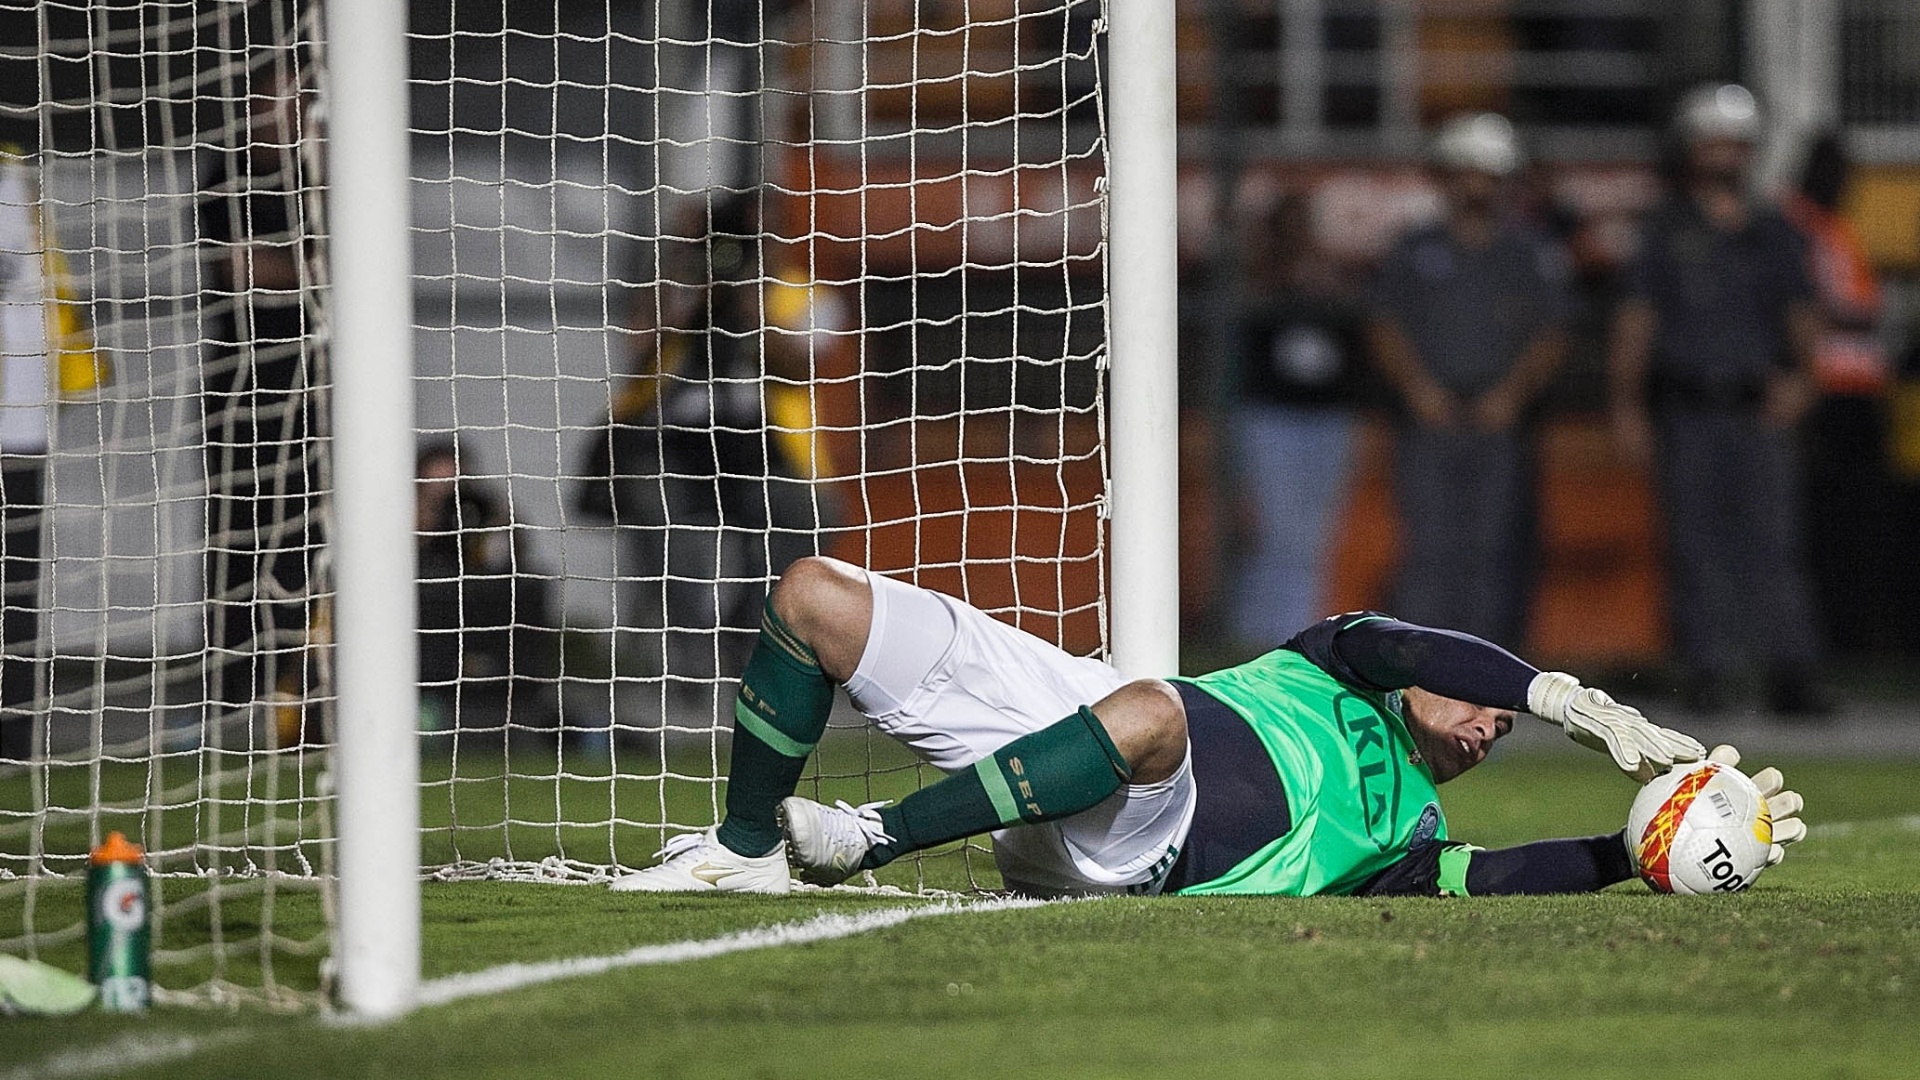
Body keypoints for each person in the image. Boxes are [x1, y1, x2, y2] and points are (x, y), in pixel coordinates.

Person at [608, 556, 1805, 897]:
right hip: (1085, 730)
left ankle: (870, 839)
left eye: (1504, 724)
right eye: (1483, 701)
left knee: (1148, 711)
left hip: (1141, 842)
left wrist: (1630, 855)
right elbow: (1411, 646)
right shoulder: (1341, 657)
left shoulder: (1412, 831)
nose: (1489, 724)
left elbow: (1492, 877)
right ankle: (750, 843)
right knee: (815, 599)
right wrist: (1555, 692)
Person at [1607, 85, 1833, 716]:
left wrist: (1804, 378)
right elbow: (1636, 320)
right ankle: (1706, 672)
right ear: (1690, 149)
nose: (1724, 155)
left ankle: (1791, 673)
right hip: (1688, 407)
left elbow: (1802, 314)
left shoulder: (1776, 229)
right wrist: (1627, 404)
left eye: (1736, 143)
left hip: (1756, 408)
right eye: (1713, 142)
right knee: (1695, 544)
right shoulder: (1664, 229)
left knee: (1773, 544)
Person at [577, 195, 845, 685]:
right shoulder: (678, 289)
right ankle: (689, 666)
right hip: (675, 443)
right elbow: (637, 344)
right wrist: (685, 277)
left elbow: (804, 360)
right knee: (665, 534)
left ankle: (755, 648)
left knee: (802, 525)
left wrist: (747, 304)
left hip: (765, 447)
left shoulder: (800, 294)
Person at [1367, 113, 1569, 648]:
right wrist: (1418, 390)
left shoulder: (1528, 252)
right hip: (1429, 417)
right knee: (1428, 545)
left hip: (1501, 418)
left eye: (1486, 173)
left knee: (1494, 546)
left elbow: (1551, 335)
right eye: (1465, 171)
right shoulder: (1414, 248)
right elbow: (1385, 326)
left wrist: (1510, 396)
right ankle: (1421, 663)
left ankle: (1487, 663)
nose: (1475, 184)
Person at [198, 60, 321, 723]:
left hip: (315, 391)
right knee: (239, 538)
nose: (294, 108)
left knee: (312, 539)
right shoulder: (231, 177)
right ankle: (230, 697)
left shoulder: (325, 180)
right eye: (284, 95)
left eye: (305, 97)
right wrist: (316, 269)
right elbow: (242, 268)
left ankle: (296, 693)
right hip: (242, 389)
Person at [1225, 193, 1370, 648]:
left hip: (1327, 422)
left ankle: (1298, 634)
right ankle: (1259, 634)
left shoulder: (1334, 279)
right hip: (1271, 420)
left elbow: (1356, 350)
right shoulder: (1253, 279)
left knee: (1315, 535)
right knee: (1277, 532)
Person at [0, 148, 104, 762]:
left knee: (16, 588)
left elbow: (49, 284)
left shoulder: (14, 174)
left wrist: (72, 366)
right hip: (21, 416)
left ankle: (12, 737)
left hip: (18, 421)